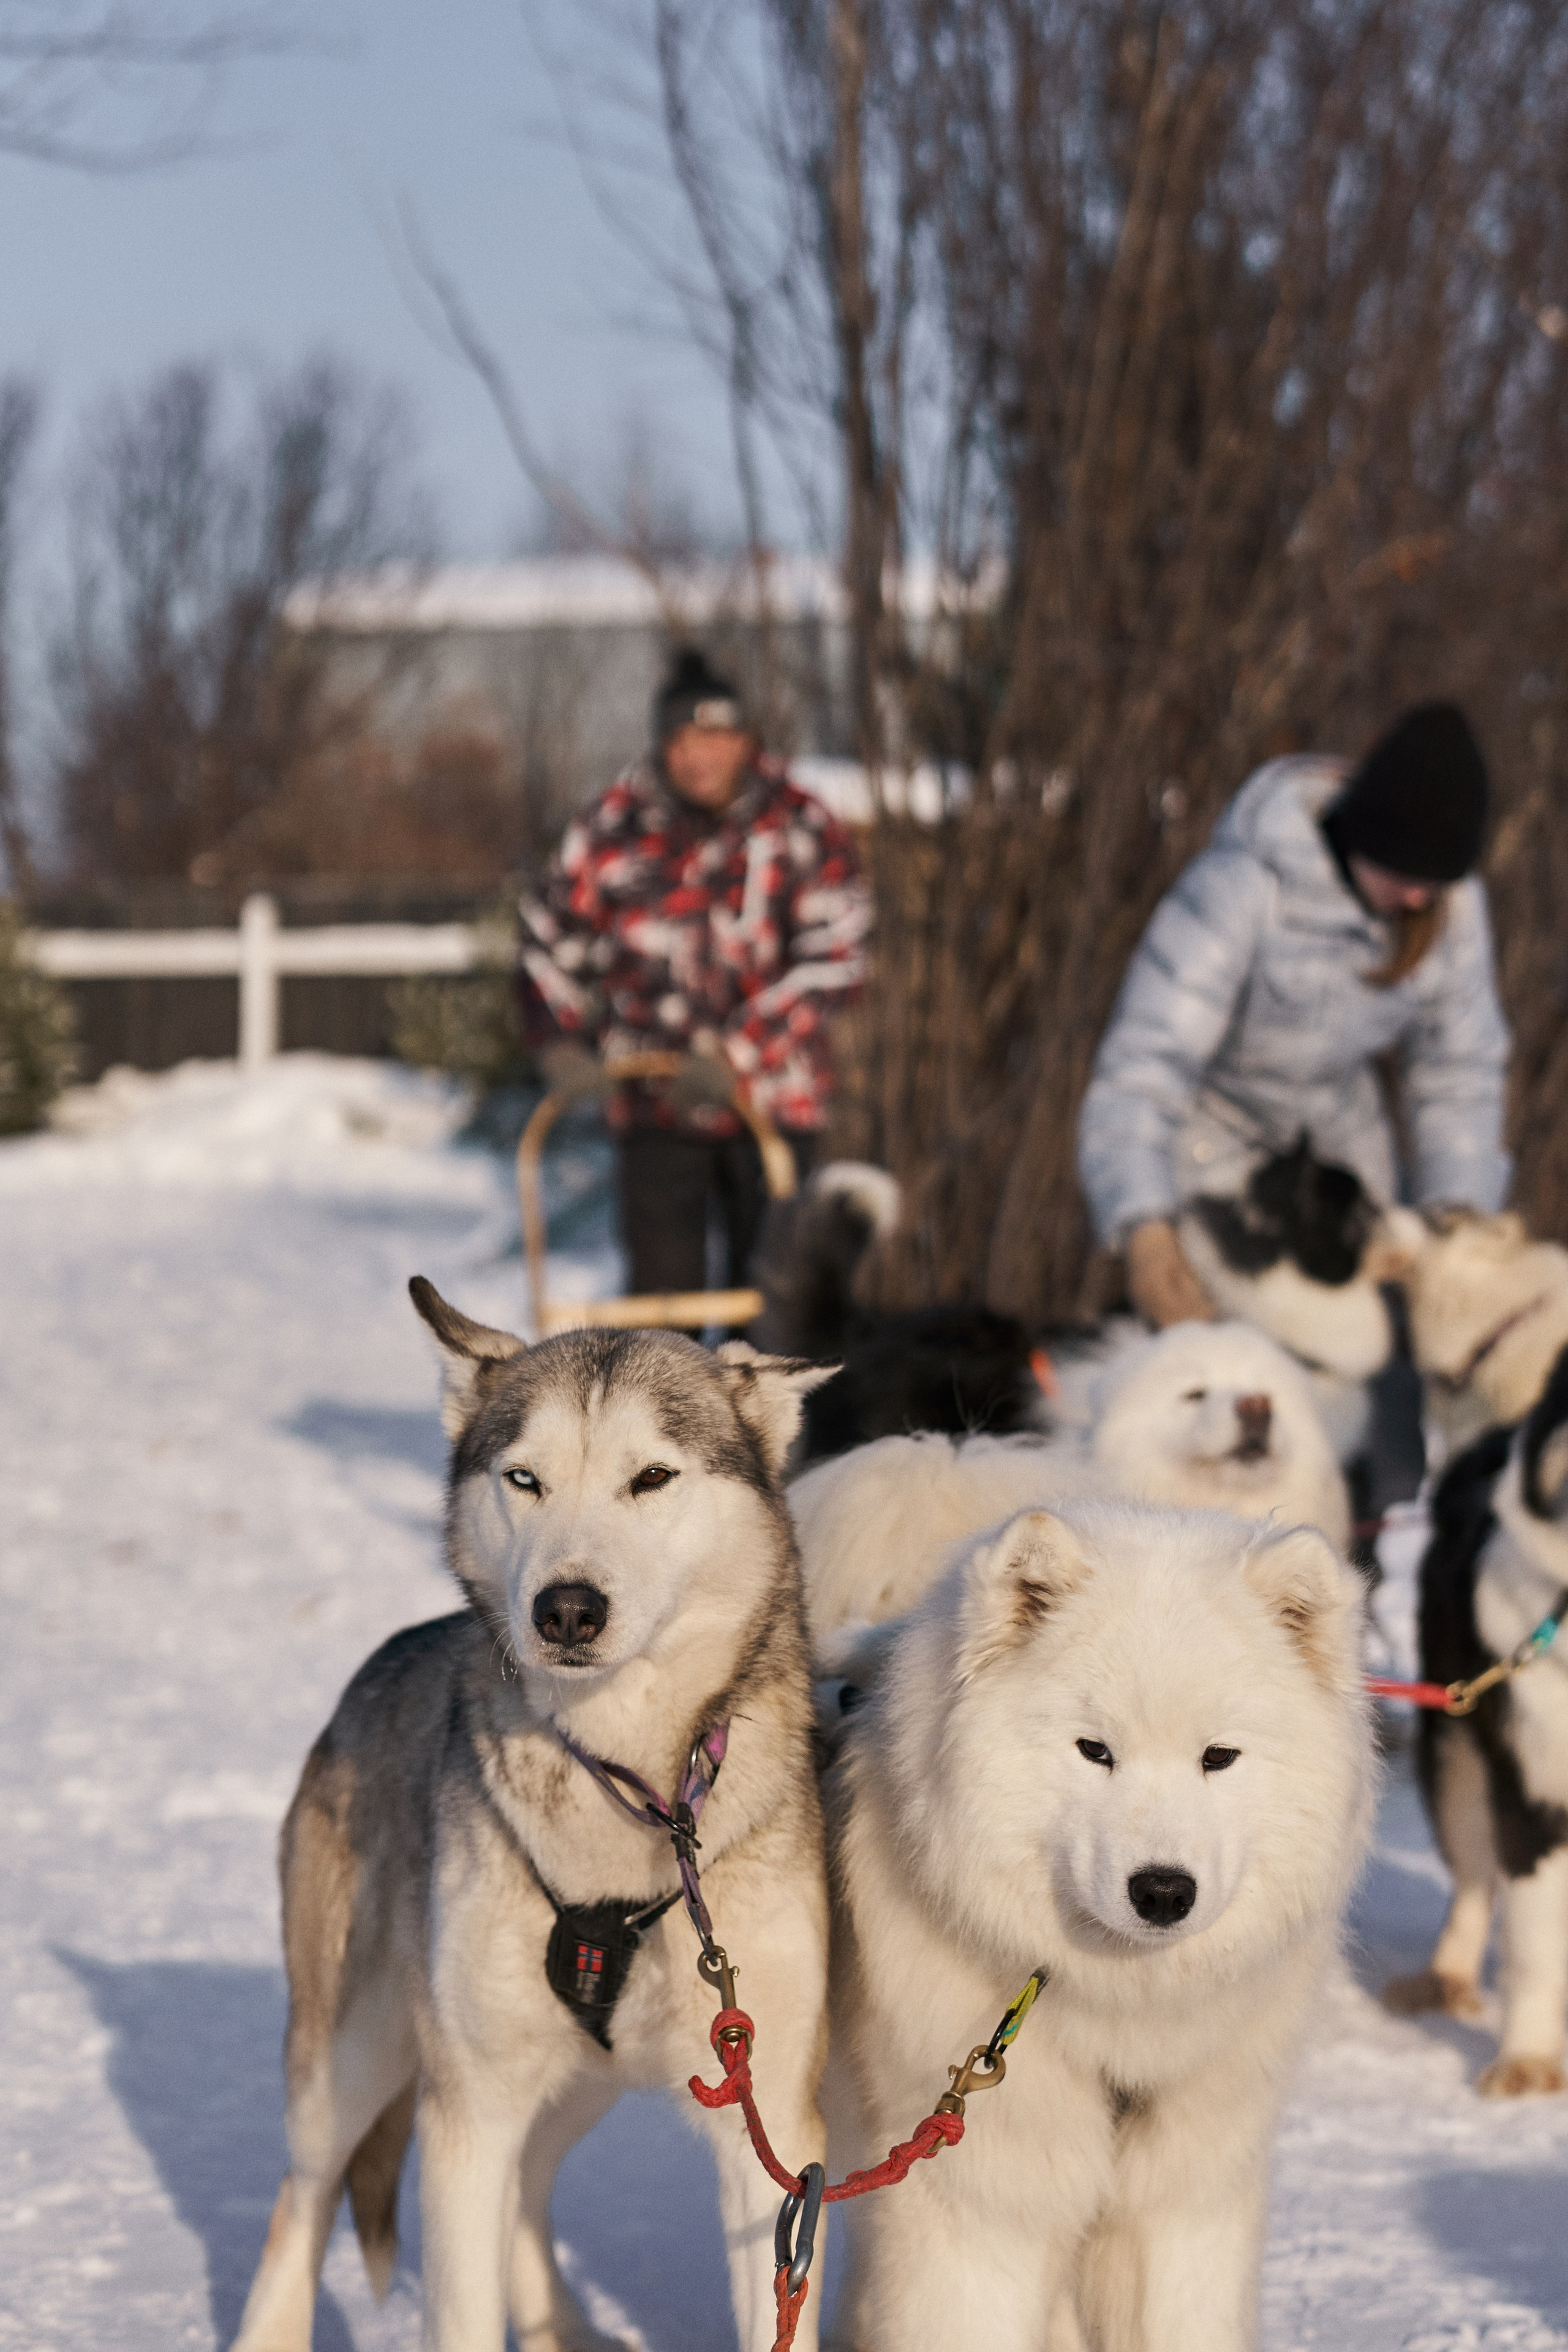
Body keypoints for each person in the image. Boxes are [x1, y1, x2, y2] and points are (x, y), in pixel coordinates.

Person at [1078, 702, 1511, 1330]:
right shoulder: (1242, 887)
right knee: (1240, 1374)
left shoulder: (1454, 906)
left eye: (1436, 880)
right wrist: (1142, 1223)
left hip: (1345, 1168)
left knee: (1374, 1380)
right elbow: (1143, 1066)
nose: (1420, 896)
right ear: (1367, 830)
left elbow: (1459, 1070)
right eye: (1405, 871)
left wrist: (1458, 1218)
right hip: (1213, 1162)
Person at [518, 647, 871, 1300]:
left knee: (769, 1303)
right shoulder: (611, 826)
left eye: (715, 736)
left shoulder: (801, 825)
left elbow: (837, 956)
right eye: (681, 738)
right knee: (660, 1311)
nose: (697, 756)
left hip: (772, 1103)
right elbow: (547, 934)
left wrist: (736, 1054)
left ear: (745, 740)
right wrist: (559, 1038)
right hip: (654, 1102)